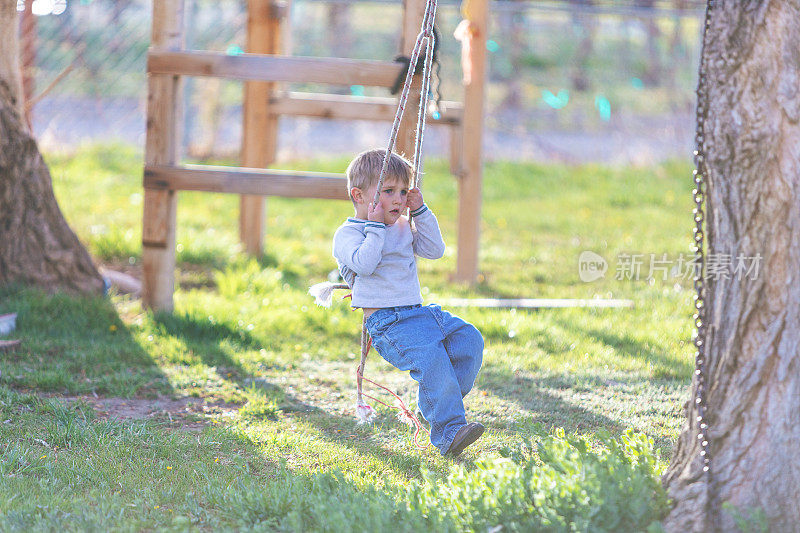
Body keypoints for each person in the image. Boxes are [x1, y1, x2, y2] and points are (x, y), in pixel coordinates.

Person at [332, 149, 484, 456]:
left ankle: (437, 401)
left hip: (419, 313)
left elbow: (434, 249)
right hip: (388, 323)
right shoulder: (348, 234)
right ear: (358, 195)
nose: (399, 200)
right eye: (388, 191)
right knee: (432, 361)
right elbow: (364, 264)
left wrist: (421, 212)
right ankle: (449, 431)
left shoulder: (402, 225)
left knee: (469, 340)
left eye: (403, 191)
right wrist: (375, 227)